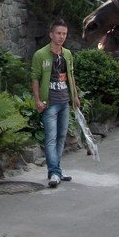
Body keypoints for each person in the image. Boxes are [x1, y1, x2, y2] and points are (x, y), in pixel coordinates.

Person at [31, 19, 82, 188]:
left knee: (61, 137)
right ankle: (54, 172)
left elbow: (71, 76)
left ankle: (56, 170)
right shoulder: (40, 54)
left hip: (64, 101)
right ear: (51, 34)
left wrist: (75, 96)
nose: (61, 37)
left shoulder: (67, 54)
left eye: (64, 34)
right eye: (59, 33)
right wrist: (37, 100)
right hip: (49, 103)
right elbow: (35, 78)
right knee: (51, 138)